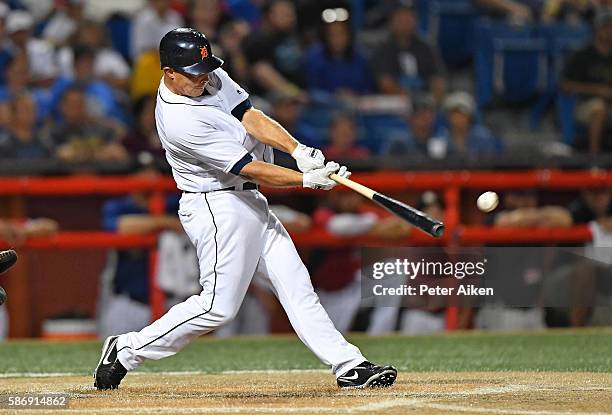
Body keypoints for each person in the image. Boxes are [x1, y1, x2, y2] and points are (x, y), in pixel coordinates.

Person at [93, 28, 397, 391]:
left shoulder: (206, 75)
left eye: (205, 68)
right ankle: (125, 349)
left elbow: (250, 116)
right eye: (193, 72)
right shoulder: (180, 121)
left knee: (296, 285)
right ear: (168, 72)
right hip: (217, 206)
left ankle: (350, 365)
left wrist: (298, 150)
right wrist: (305, 180)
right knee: (217, 307)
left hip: (248, 200)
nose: (203, 77)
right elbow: (248, 166)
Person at [370, 2, 446, 102]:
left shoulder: (426, 47)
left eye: (408, 17)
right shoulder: (382, 48)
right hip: (393, 104)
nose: (405, 22)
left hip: (425, 104)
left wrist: (432, 101)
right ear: (391, 20)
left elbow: (438, 79)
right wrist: (410, 101)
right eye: (400, 17)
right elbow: (385, 83)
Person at [561, 7, 612, 154]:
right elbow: (565, 85)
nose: (610, 32)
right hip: (584, 104)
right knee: (598, 108)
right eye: (607, 27)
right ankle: (594, 158)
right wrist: (597, 90)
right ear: (598, 29)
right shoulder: (582, 54)